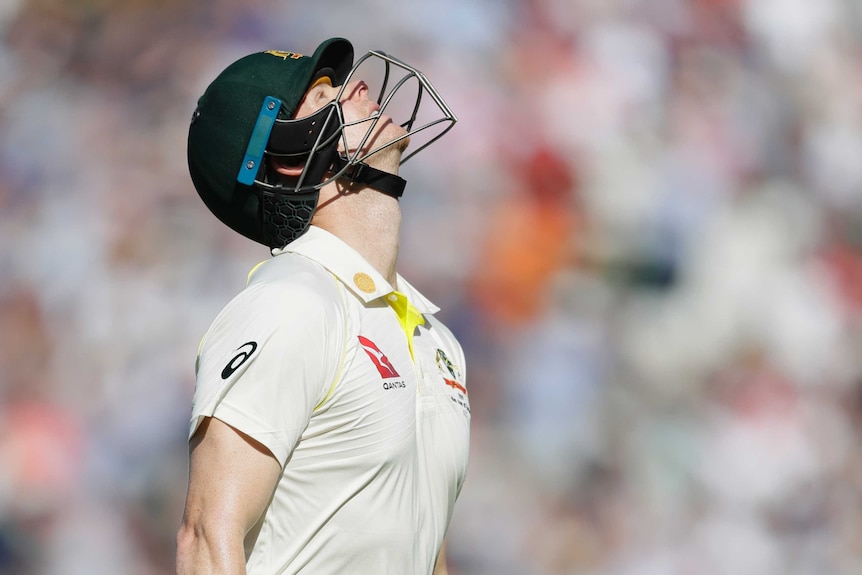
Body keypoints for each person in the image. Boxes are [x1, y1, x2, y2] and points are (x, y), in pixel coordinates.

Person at [175, 37, 470, 575]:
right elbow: (206, 537)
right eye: (321, 95)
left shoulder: (433, 334)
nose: (358, 85)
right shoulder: (291, 303)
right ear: (288, 160)